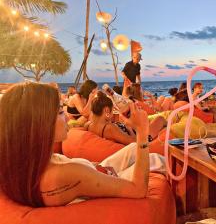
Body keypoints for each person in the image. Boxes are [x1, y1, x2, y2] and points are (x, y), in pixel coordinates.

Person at [0, 82, 165, 207]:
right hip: (108, 181)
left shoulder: (32, 162)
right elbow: (138, 190)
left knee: (131, 149)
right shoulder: (65, 175)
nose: (66, 116)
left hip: (96, 172)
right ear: (39, 124)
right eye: (59, 112)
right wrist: (142, 132)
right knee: (155, 159)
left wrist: (94, 167)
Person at [88, 91, 166, 144]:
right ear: (107, 110)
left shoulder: (88, 125)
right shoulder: (109, 128)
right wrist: (130, 128)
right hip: (142, 137)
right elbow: (135, 142)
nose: (113, 112)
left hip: (134, 131)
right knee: (160, 119)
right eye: (112, 110)